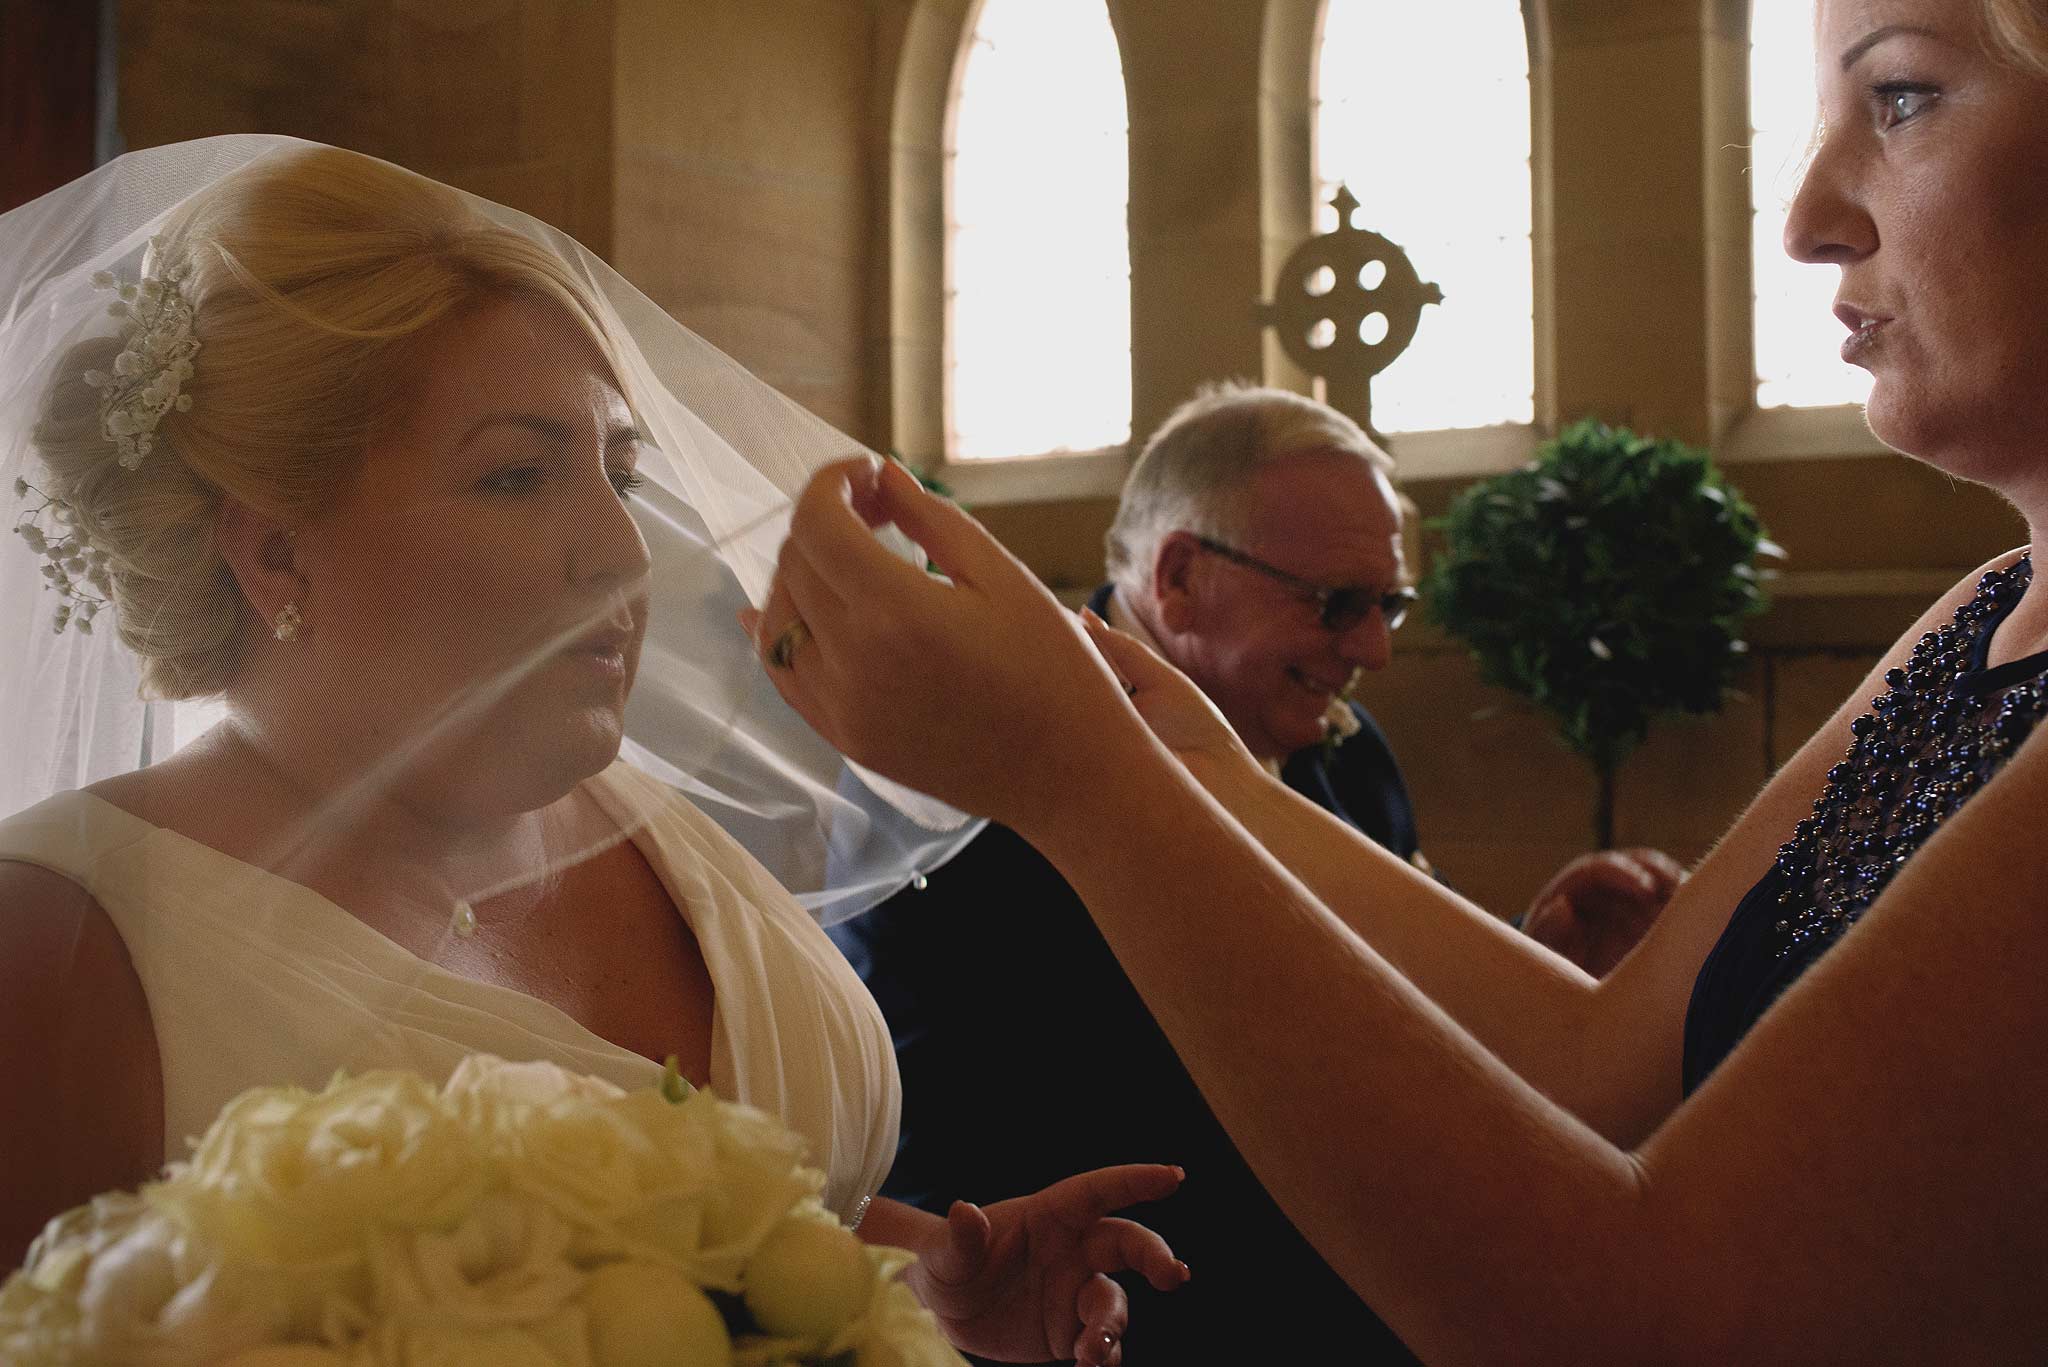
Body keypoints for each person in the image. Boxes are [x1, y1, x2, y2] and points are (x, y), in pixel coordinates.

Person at [753, 0, 2048, 1356]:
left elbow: (1646, 1312)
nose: (1805, 217)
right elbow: (1596, 1062)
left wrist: (1088, 782)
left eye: (1898, 98)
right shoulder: (1977, 616)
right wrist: (1176, 759)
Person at [0, 139, 1187, 1366]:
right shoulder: (69, 946)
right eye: (517, 475)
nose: (622, 555)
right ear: (274, 554)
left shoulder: (648, 824)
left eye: (620, 471)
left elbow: (709, 1235)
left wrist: (913, 1279)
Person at [831, 384, 1677, 1361]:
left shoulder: (1345, 753)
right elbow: (923, 1147)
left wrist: (1523, 966)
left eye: (1387, 602)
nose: (1376, 647)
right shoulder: (970, 779)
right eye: (1337, 603)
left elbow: (1364, 1002)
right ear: (1181, 574)